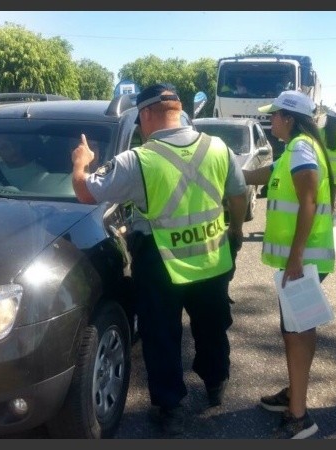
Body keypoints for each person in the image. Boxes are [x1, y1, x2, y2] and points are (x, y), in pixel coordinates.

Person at [71, 83, 247, 437]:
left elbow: (85, 191)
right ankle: (216, 384)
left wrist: (80, 164)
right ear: (178, 109)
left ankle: (171, 409)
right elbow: (239, 195)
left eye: (139, 119)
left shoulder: (138, 160)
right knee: (212, 325)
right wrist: (235, 232)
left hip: (160, 264)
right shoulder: (218, 148)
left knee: (161, 335)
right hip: (213, 258)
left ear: (147, 114)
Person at [242, 90, 335, 439]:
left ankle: (299, 415)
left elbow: (308, 201)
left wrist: (295, 256)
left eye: (275, 116)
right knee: (298, 329)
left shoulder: (300, 149)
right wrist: (233, 175)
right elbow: (267, 175)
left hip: (303, 260)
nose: (270, 121)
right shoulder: (296, 149)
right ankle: (294, 394)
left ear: (290, 119)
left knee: (296, 332)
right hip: (302, 259)